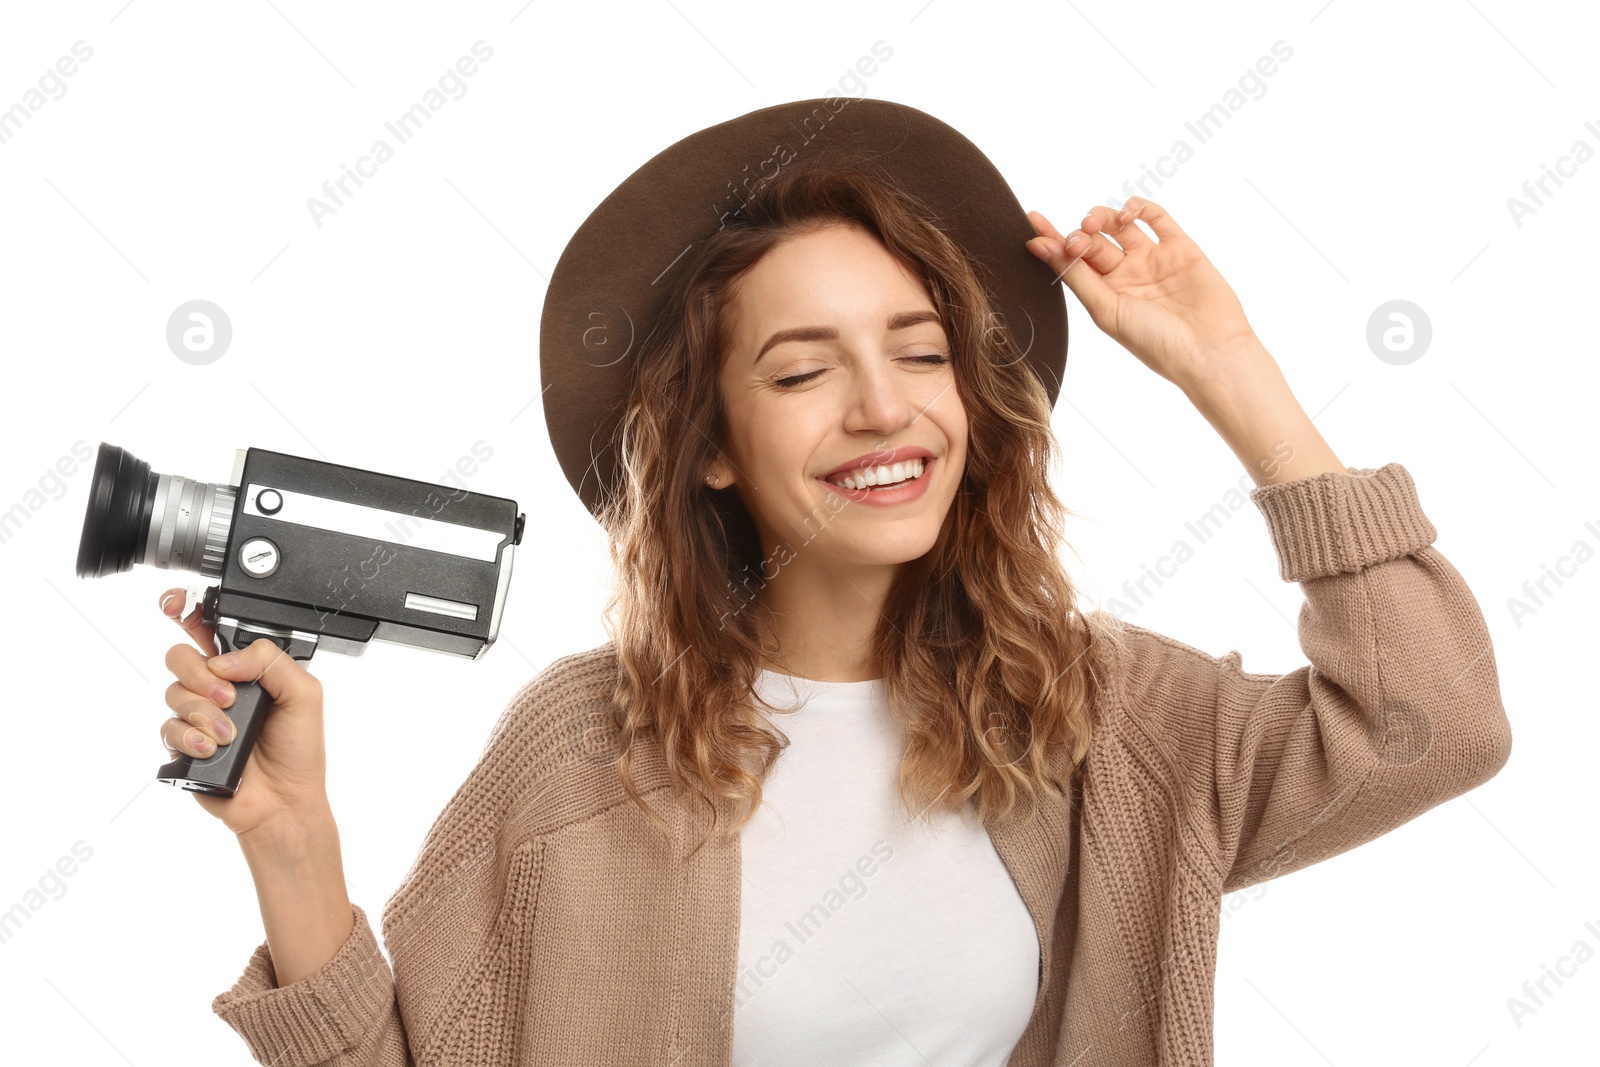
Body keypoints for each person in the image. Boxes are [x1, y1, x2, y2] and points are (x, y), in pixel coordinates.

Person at [157, 102, 1511, 1066]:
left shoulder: (1102, 719)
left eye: (921, 354)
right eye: (803, 372)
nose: (883, 409)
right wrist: (292, 838)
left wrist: (1232, 371)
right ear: (714, 453)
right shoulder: (588, 748)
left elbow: (1428, 726)